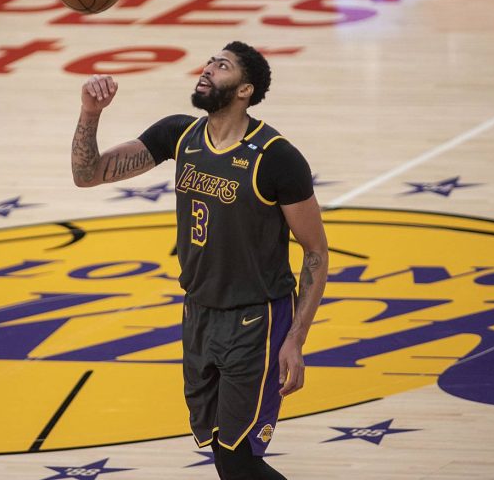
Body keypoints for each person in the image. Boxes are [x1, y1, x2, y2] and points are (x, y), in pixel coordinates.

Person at [70, 41, 328, 480]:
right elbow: (87, 174)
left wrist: (296, 339)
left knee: (238, 459)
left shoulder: (276, 158)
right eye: (209, 62)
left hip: (257, 319)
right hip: (199, 314)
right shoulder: (180, 135)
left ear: (245, 90)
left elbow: (316, 252)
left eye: (222, 66)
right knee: (223, 454)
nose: (207, 69)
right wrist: (90, 113)